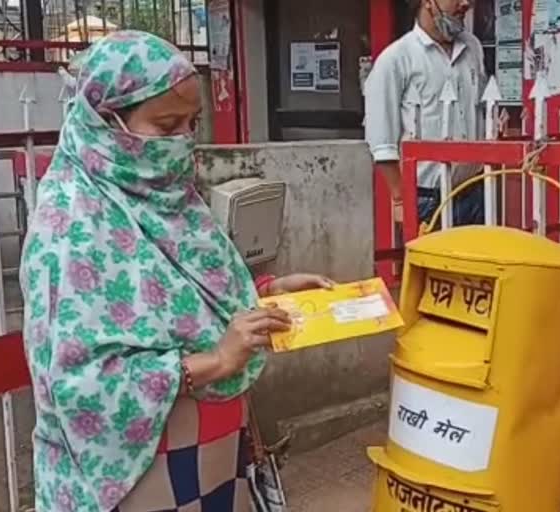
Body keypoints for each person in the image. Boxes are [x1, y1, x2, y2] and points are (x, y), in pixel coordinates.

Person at [20, 31, 332, 512]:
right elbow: (80, 388)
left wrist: (265, 294)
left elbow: (186, 294)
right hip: (138, 481)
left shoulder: (169, 198)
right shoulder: (71, 225)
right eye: (167, 127)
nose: (183, 142)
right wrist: (215, 362)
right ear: (107, 121)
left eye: (192, 124)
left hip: (214, 462)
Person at [364, 0, 487, 226]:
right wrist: (400, 199)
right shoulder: (396, 59)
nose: (466, 3)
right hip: (427, 198)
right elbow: (381, 143)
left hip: (475, 191)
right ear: (428, 3)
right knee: (429, 261)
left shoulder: (473, 48)